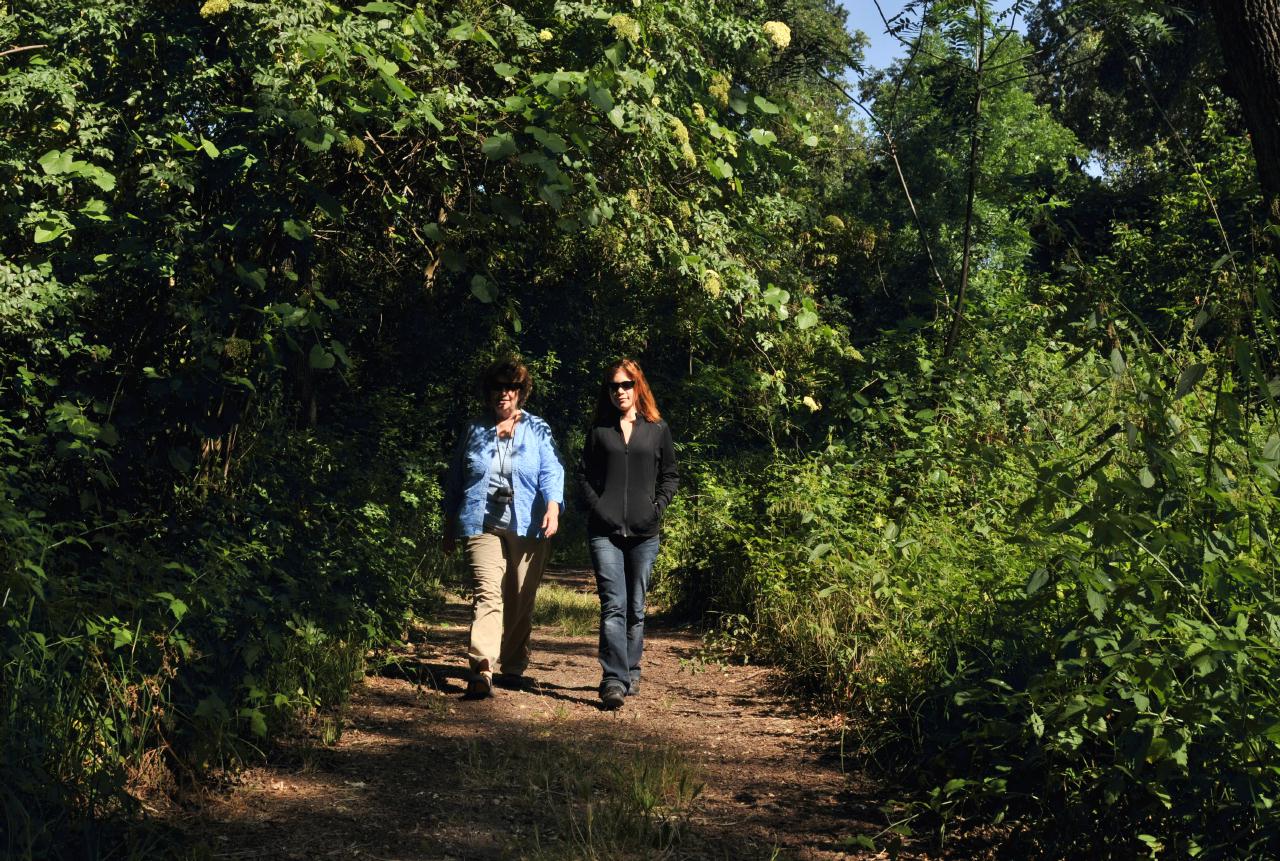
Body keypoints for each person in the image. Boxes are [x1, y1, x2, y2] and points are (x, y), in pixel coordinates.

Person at [443, 357, 564, 698]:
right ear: (489, 391)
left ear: (521, 393)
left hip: (528, 522)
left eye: (511, 387)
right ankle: (482, 668)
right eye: (498, 386)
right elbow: (456, 478)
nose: (504, 394)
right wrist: (449, 523)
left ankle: (512, 665)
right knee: (488, 592)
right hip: (481, 522)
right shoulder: (475, 429)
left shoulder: (537, 428)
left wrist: (553, 505)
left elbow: (551, 470)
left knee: (520, 597)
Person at [577, 358, 678, 710]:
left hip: (644, 533)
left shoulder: (657, 429)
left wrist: (656, 508)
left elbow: (670, 475)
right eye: (614, 386)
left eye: (626, 385)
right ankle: (613, 679)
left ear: (638, 387)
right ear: (607, 391)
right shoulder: (599, 431)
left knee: (636, 607)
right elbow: (584, 476)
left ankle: (632, 668)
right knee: (613, 604)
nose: (620, 391)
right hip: (604, 532)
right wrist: (599, 507)